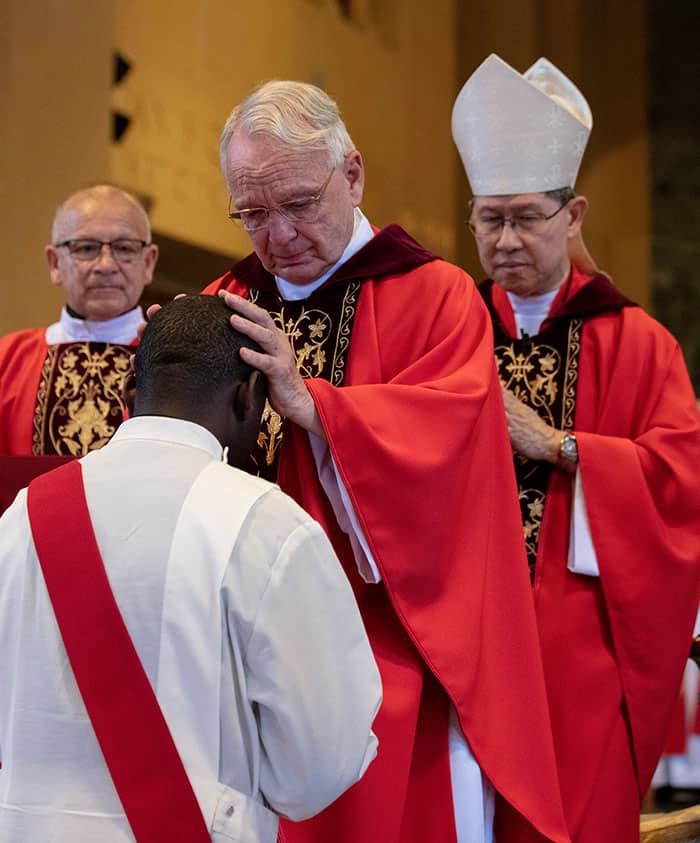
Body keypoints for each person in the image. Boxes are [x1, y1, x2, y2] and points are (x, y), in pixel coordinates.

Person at [200, 79, 570, 843]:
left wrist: (316, 407)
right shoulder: (221, 302)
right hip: (234, 658)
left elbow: (450, 474)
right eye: (252, 212)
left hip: (394, 656)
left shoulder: (436, 297)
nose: (277, 234)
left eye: (298, 203)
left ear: (354, 175)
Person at [0, 294, 382, 842]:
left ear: (129, 395)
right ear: (251, 397)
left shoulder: (22, 514)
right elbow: (318, 764)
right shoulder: (266, 523)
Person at [451, 53, 700, 842]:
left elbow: (681, 479)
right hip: (461, 637)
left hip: (579, 651)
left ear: (574, 213)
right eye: (490, 219)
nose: (508, 239)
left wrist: (561, 445)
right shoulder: (446, 330)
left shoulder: (639, 342)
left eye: (527, 216)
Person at [0, 184, 158, 456]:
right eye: (86, 248)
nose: (106, 265)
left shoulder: (174, 360)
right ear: (55, 264)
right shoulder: (7, 359)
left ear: (148, 263)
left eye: (124, 248)